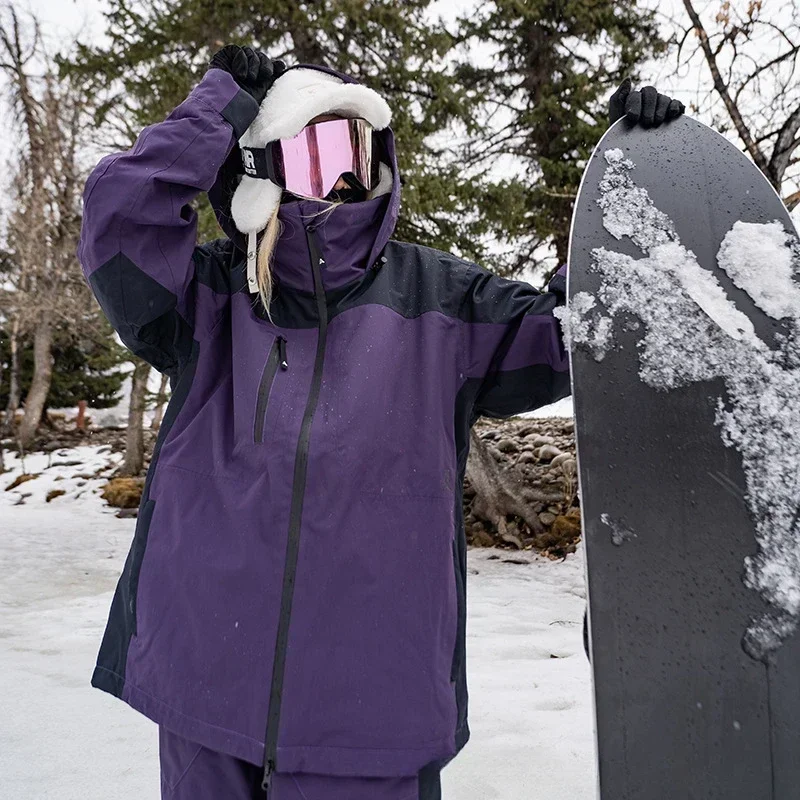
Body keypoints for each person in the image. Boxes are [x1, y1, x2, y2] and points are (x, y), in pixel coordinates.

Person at [77, 44, 684, 800]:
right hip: (207, 693)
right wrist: (217, 105)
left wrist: (631, 181)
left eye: (356, 152)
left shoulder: (442, 301)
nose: (343, 180)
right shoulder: (204, 303)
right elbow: (119, 214)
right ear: (259, 174)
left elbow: (575, 334)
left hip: (369, 717)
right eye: (318, 151)